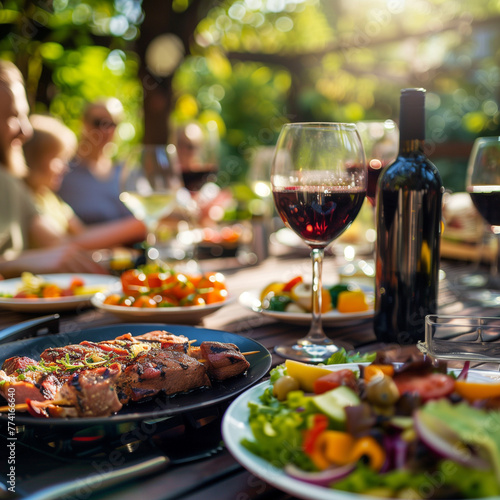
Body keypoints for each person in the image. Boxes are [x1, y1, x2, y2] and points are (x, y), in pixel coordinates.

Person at [0, 59, 106, 278]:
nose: (26, 130)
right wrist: (13, 263)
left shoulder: (11, 184)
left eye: (24, 115)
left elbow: (61, 247)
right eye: (12, 116)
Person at [23, 114, 147, 249]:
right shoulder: (26, 199)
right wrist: (139, 225)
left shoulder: (51, 199)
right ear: (33, 159)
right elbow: (62, 246)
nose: (65, 168)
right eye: (58, 159)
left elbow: (82, 234)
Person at [58, 99, 134, 224]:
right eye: (99, 123)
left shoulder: (123, 171)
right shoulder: (62, 169)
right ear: (83, 122)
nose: (106, 131)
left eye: (112, 124)